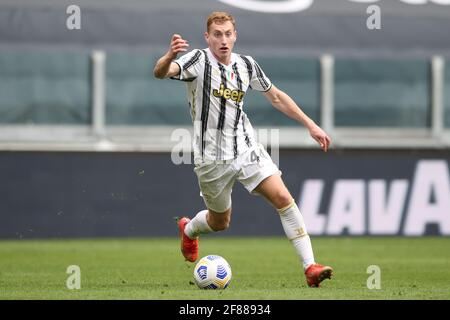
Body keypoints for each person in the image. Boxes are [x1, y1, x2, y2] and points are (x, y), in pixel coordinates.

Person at [153, 11, 333, 287]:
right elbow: (162, 72)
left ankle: (310, 267)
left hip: (246, 148)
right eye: (217, 34)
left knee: (284, 199)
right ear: (207, 37)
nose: (223, 40)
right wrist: (169, 56)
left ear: (235, 36)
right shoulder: (198, 60)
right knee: (220, 222)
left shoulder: (246, 65)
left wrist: (310, 124)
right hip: (210, 158)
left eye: (228, 34)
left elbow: (275, 96)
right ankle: (189, 229)